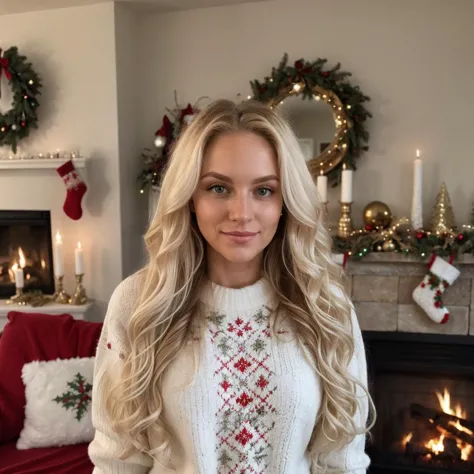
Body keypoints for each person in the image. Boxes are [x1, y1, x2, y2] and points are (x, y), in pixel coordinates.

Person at [88, 99, 375, 473]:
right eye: (219, 188)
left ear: (285, 202)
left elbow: (343, 463)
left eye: (264, 191)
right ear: (191, 196)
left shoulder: (325, 306)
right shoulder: (139, 303)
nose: (241, 213)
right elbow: (116, 462)